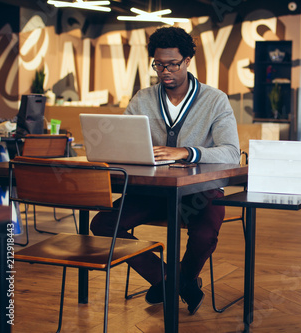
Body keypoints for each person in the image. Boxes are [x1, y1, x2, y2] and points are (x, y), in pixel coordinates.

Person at [90, 26, 240, 315]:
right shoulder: (142, 99)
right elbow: (120, 142)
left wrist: (187, 152)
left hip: (199, 191)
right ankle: (175, 282)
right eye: (159, 64)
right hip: (153, 192)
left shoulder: (214, 99)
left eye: (172, 64)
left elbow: (231, 153)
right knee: (103, 224)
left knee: (205, 233)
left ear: (187, 61)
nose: (165, 71)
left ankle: (175, 280)